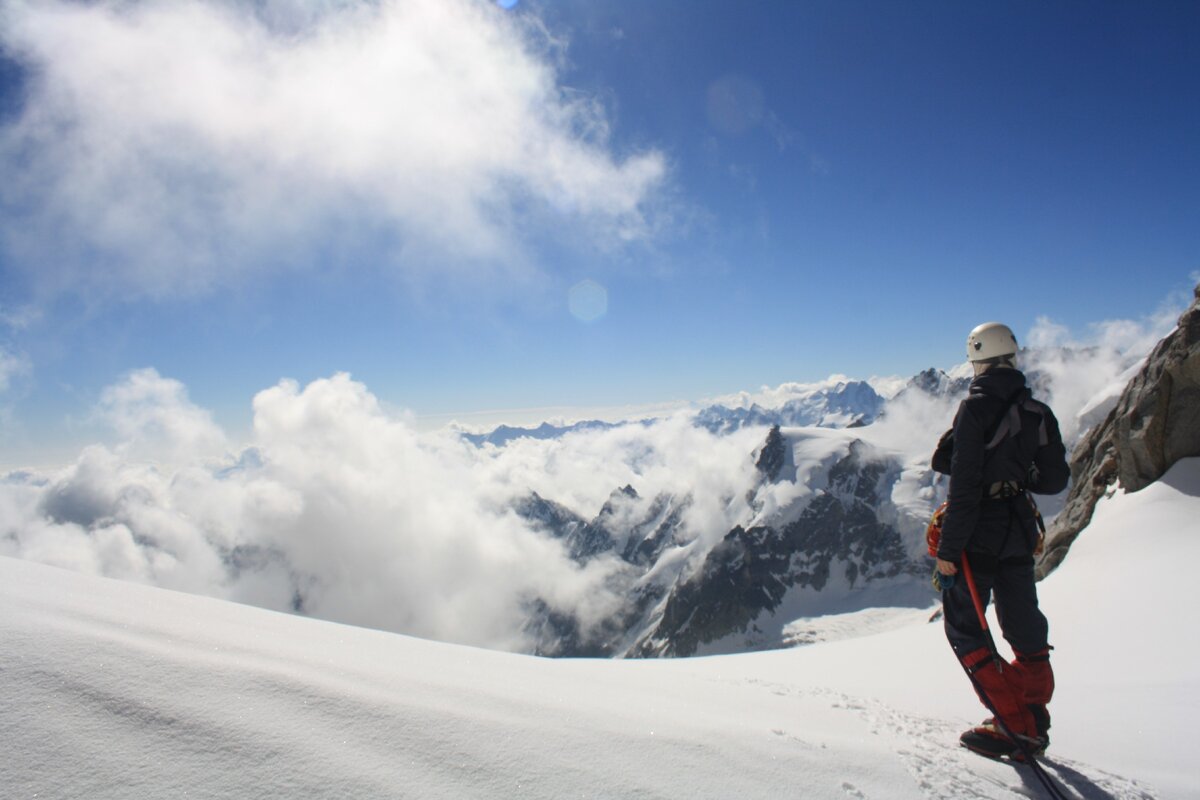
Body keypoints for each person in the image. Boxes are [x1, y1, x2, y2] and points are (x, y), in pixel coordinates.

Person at [931, 321, 1070, 760]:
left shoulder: (974, 408)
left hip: (979, 534)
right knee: (1022, 620)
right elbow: (1054, 479)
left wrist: (948, 552)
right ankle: (1033, 713)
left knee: (966, 630)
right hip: (1019, 528)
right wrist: (1015, 477)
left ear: (977, 360)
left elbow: (965, 487)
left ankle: (1013, 725)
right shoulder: (1037, 410)